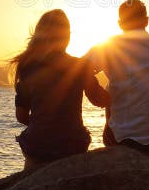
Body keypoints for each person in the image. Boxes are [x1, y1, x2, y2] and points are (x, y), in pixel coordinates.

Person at [10, 9, 110, 169]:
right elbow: (101, 100)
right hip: (72, 147)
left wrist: (43, 125)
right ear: (67, 36)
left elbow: (21, 116)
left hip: (38, 148)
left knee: (32, 166)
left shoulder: (27, 67)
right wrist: (106, 74)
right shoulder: (80, 66)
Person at [83, 0, 149, 152]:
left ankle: (120, 127)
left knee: (110, 85)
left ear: (120, 24)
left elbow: (77, 71)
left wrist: (93, 90)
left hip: (116, 140)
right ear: (146, 21)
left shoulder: (107, 48)